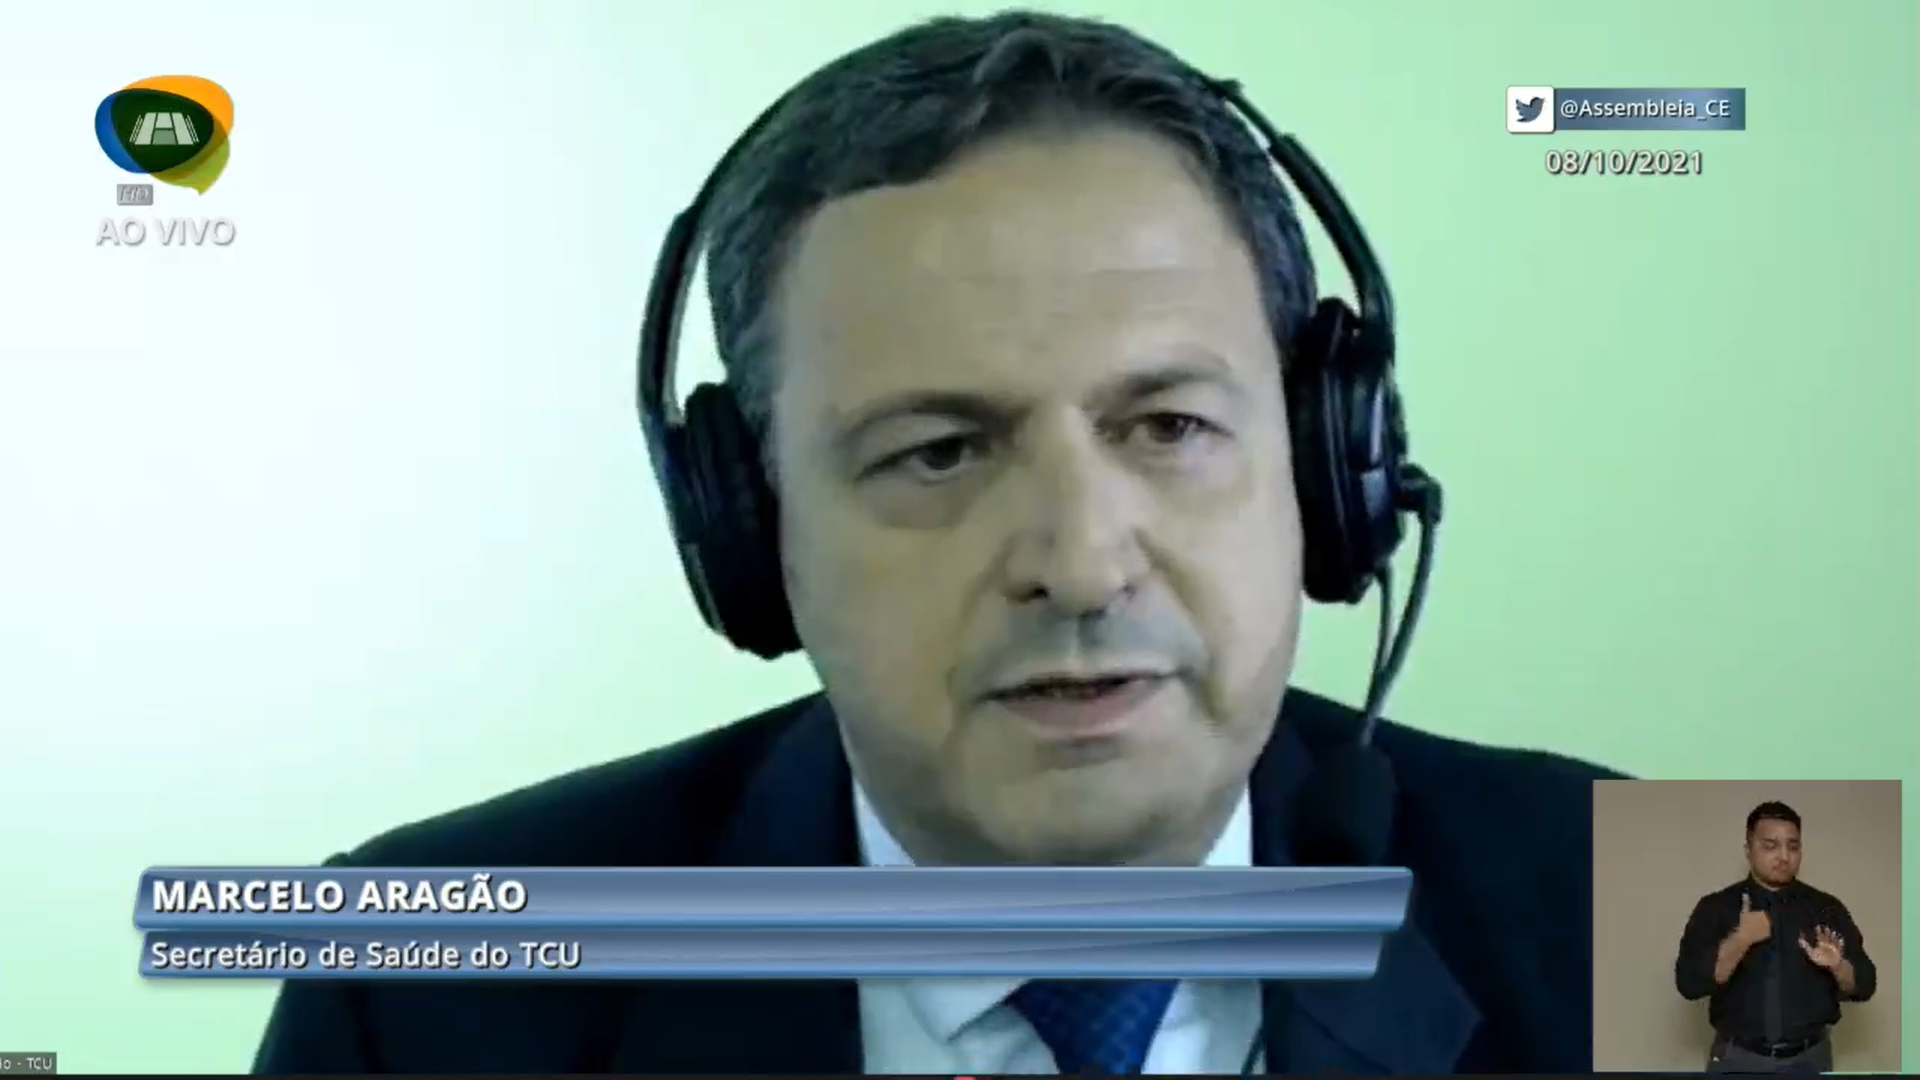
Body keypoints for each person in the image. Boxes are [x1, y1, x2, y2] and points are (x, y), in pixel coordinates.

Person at [253, 11, 1625, 1075]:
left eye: (1169, 427)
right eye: (939, 453)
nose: (1081, 564)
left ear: (1330, 468)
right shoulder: (427, 987)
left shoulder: (1642, 913)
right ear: (751, 528)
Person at [1674, 802, 1878, 1074]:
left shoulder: (1827, 909)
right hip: (1736, 1059)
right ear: (1748, 850)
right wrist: (1741, 939)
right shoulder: (1715, 907)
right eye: (1770, 846)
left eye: (1793, 847)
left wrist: (1838, 966)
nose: (1784, 856)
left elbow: (1866, 985)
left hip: (1809, 1060)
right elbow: (1688, 984)